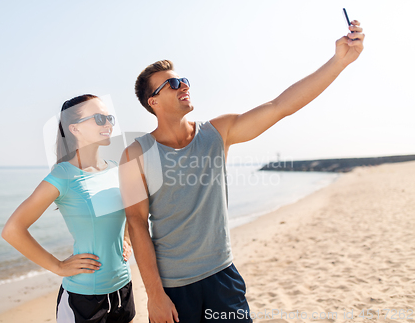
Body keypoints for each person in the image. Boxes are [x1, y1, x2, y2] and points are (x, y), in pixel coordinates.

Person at [119, 21, 365, 323]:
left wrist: (339, 62)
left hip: (223, 278)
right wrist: (155, 295)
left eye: (183, 79)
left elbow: (280, 106)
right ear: (153, 102)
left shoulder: (217, 133)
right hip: (173, 289)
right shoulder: (134, 155)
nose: (183, 85)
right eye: (172, 83)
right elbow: (136, 223)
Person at [2, 94, 135, 323]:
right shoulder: (63, 174)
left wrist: (127, 239)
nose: (108, 124)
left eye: (109, 117)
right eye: (99, 118)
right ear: (75, 128)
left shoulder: (115, 169)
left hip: (124, 288)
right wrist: (58, 266)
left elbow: (130, 213)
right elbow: (13, 230)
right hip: (85, 299)